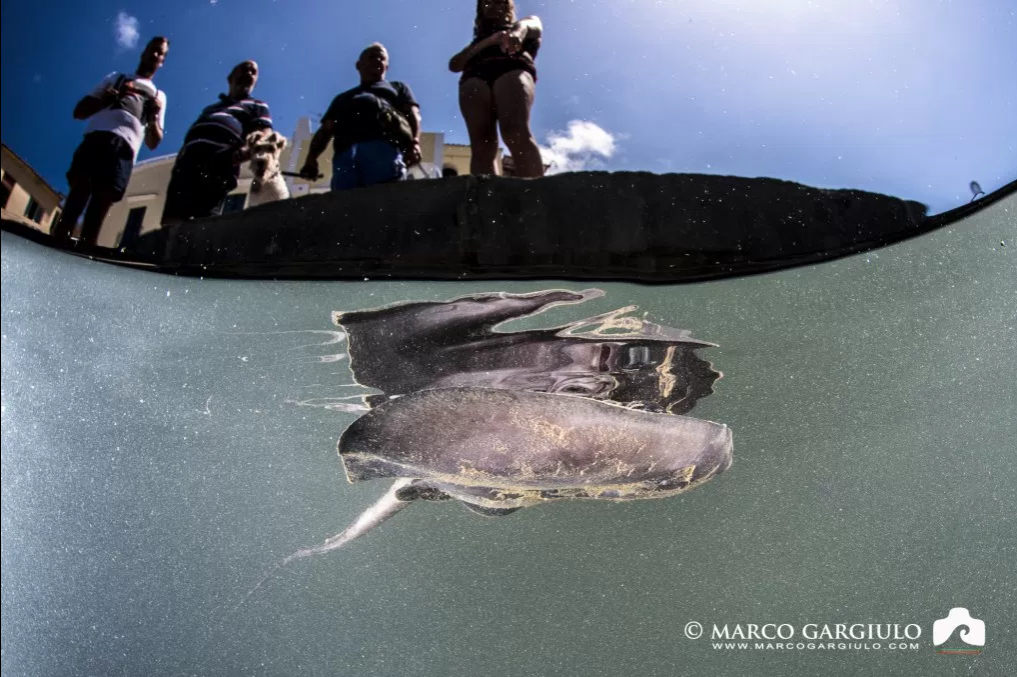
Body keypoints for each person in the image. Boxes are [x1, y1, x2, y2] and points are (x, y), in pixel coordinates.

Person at [52, 37, 169, 245]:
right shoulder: (116, 78)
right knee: (76, 198)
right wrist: (108, 98)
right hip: (98, 138)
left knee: (99, 209)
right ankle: (54, 245)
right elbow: (79, 112)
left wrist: (153, 117)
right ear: (144, 52)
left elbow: (153, 142)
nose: (155, 55)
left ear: (163, 62)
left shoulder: (159, 96)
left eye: (160, 53)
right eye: (153, 50)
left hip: (125, 150)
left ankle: (82, 255)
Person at [161, 61, 274, 224]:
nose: (249, 73)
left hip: (221, 161)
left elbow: (264, 133)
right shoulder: (211, 108)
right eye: (244, 69)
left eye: (253, 72)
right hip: (187, 163)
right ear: (230, 78)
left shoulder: (257, 105)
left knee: (203, 221)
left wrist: (244, 152)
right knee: (172, 221)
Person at [299, 43, 422, 190]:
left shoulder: (398, 88)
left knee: (384, 203)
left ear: (387, 67)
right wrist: (311, 158)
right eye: (372, 57)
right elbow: (326, 130)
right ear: (358, 65)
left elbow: (413, 115)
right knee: (345, 206)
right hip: (345, 157)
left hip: (384, 153)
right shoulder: (342, 98)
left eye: (382, 58)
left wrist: (414, 143)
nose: (377, 60)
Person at [449, 0, 543, 178]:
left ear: (508, 7)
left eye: (498, 1)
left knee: (515, 131)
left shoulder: (524, 23)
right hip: (474, 76)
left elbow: (533, 25)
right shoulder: (476, 41)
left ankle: (534, 197)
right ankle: (488, 201)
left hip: (511, 68)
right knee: (481, 142)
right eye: (487, 2)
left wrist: (516, 33)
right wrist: (488, 42)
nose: (492, 6)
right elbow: (454, 64)